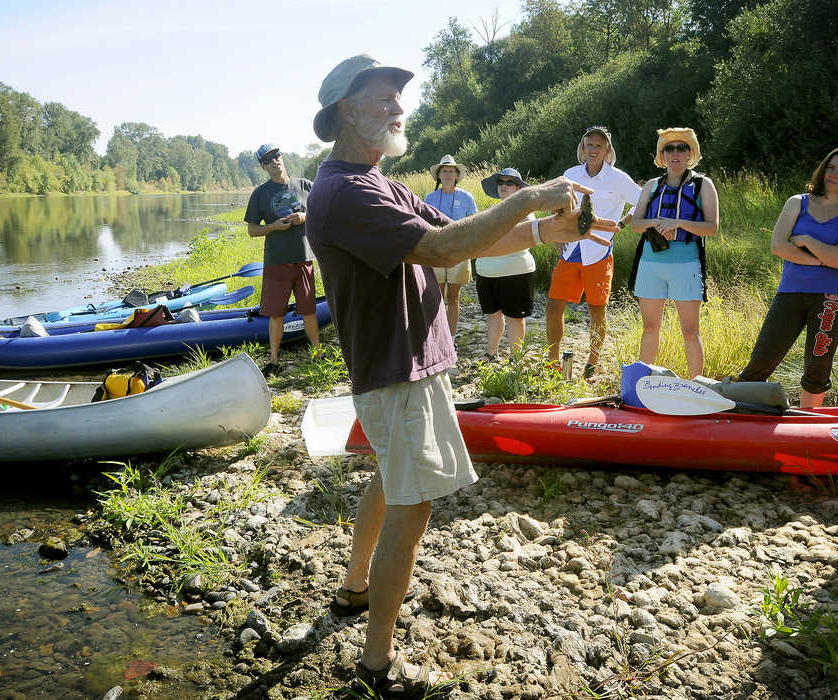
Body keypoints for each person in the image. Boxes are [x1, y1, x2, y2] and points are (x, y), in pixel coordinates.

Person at [304, 54, 618, 695]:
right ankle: (377, 662)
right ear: (345, 111)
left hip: (409, 362)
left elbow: (458, 232)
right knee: (412, 502)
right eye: (384, 97)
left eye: (399, 97)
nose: (399, 107)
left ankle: (353, 589)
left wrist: (538, 227)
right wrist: (528, 196)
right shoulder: (345, 190)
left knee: (393, 483)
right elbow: (444, 251)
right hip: (396, 368)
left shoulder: (376, 181)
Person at [737, 146, 838, 408]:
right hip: (790, 293)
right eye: (831, 167)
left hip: (833, 299)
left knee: (817, 368)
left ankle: (807, 426)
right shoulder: (797, 203)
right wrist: (823, 259)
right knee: (762, 359)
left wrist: (806, 240)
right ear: (823, 168)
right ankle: (741, 417)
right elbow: (778, 246)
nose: (834, 174)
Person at [547, 126, 641, 379]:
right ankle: (552, 361)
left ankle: (593, 362)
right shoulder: (570, 174)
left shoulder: (618, 178)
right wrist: (556, 232)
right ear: (583, 147)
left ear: (607, 149)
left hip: (598, 251)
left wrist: (620, 224)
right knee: (553, 306)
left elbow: (644, 200)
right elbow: (557, 204)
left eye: (599, 145)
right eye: (590, 144)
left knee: (597, 309)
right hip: (569, 250)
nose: (593, 149)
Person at [629, 127, 720, 379]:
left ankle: (696, 386)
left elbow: (712, 227)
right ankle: (642, 384)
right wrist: (656, 222)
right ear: (662, 154)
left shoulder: (703, 185)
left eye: (682, 148)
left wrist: (677, 223)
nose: (676, 153)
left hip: (686, 264)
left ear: (690, 153)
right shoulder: (651, 186)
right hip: (650, 263)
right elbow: (636, 224)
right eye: (670, 148)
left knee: (690, 331)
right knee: (649, 326)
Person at [244, 143, 321, 374]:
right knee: (276, 313)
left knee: (308, 310)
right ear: (263, 166)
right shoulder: (260, 194)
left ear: (282, 156)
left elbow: (324, 211)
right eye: (268, 160)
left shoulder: (305, 185)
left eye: (276, 155)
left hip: (304, 259)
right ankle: (274, 361)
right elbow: (252, 230)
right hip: (277, 262)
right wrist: (274, 227)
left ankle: (318, 353)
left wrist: (305, 216)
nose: (274, 161)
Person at [475, 168, 536, 362]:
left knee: (515, 317)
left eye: (509, 183)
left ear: (518, 188)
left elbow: (522, 239)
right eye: (501, 182)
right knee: (493, 315)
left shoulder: (526, 212)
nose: (504, 186)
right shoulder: (490, 212)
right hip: (486, 273)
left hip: (516, 272)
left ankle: (515, 359)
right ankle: (491, 354)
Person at [423, 155, 478, 336]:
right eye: (444, 171)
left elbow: (474, 223)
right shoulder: (429, 197)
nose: (447, 174)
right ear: (439, 175)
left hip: (459, 251)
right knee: (436, 295)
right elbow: (423, 224)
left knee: (453, 297)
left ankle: (451, 336)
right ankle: (438, 335)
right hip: (436, 251)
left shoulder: (467, 197)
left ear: (456, 175)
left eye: (451, 171)